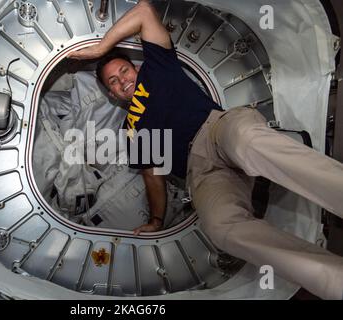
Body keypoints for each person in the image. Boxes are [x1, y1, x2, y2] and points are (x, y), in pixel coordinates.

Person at [68, 0, 343, 299]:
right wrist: (156, 221)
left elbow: (145, 10)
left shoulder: (157, 67)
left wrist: (100, 48)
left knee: (249, 143)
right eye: (114, 82)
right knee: (222, 228)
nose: (123, 81)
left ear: (135, 67)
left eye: (123, 71)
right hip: (201, 174)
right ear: (112, 94)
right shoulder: (130, 129)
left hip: (216, 130)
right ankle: (333, 280)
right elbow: (152, 175)